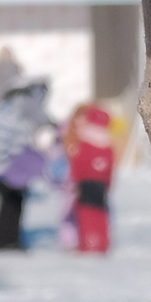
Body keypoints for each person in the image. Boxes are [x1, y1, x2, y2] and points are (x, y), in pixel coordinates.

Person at [0, 73, 55, 252]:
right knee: (12, 195)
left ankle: (8, 238)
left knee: (17, 196)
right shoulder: (7, 114)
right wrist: (7, 167)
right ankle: (3, 240)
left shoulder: (15, 114)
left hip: (1, 167)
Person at [65, 102, 119, 253]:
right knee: (101, 213)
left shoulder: (84, 140)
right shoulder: (108, 143)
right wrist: (108, 184)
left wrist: (75, 179)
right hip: (101, 183)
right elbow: (110, 168)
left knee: (86, 212)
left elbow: (79, 163)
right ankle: (102, 241)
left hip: (85, 182)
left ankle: (88, 241)